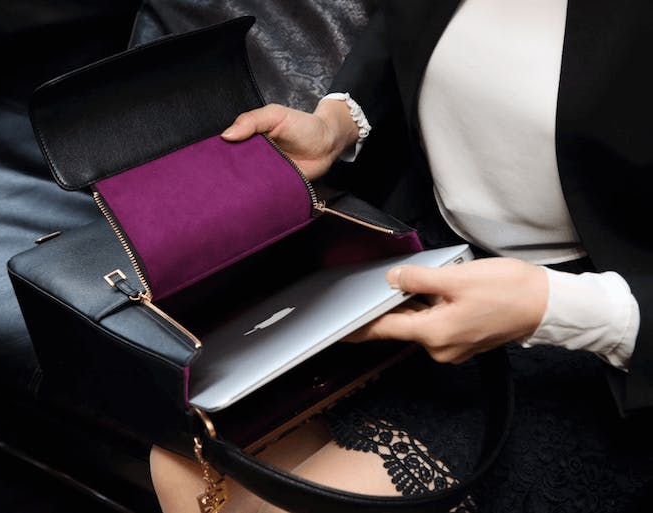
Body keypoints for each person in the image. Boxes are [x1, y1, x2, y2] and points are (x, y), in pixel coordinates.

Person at [151, 0, 653, 511]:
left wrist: (559, 309)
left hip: (599, 333)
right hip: (421, 259)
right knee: (182, 464)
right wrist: (339, 122)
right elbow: (407, 28)